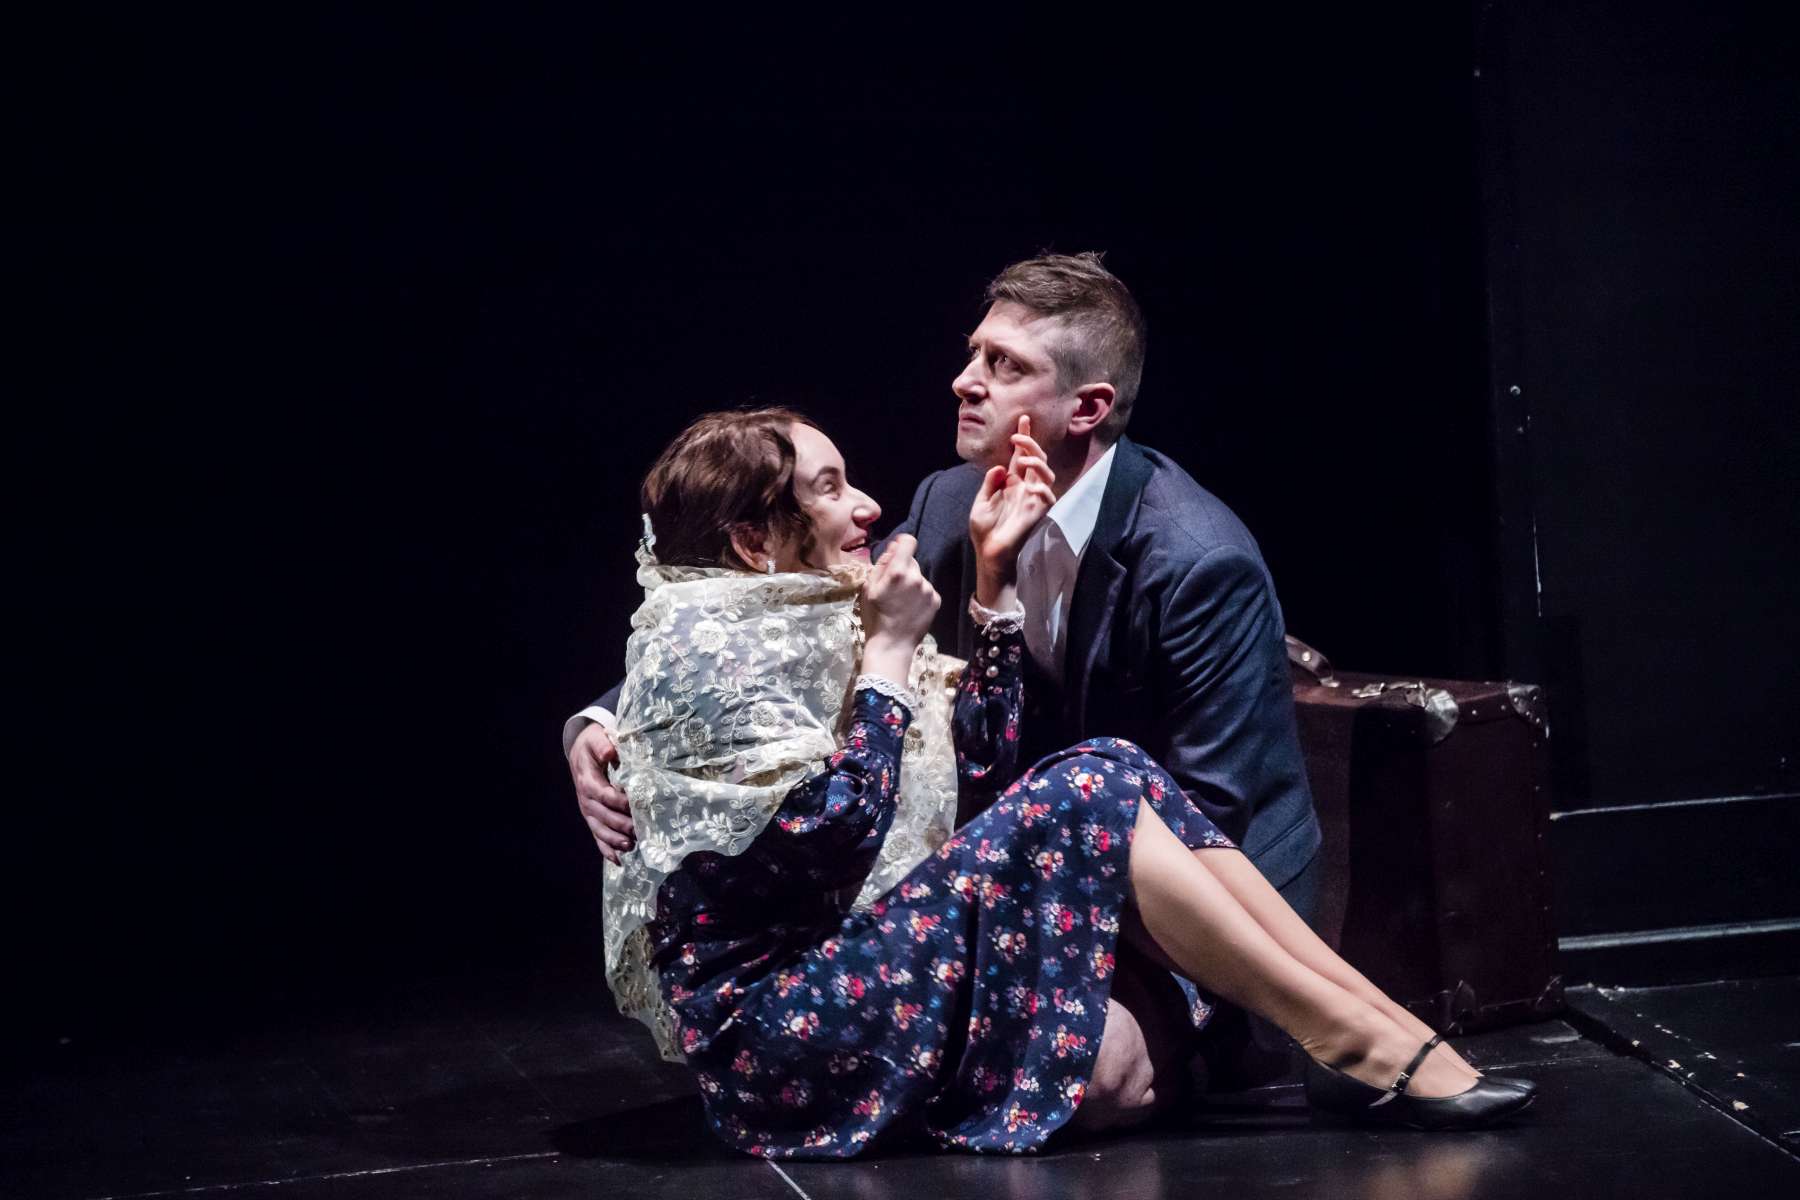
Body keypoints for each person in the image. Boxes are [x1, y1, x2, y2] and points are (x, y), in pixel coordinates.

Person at [604, 407, 1533, 1158]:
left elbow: (979, 770)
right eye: (830, 488)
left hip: (864, 963)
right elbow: (828, 838)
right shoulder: (704, 649)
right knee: (1086, 789)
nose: (869, 505)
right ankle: (1350, 1040)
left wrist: (993, 583)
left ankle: (1364, 1021)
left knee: (1112, 767)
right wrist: (887, 659)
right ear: (753, 542)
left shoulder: (822, 610)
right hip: (781, 1034)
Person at [573, 253, 1325, 1120]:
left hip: (1189, 916)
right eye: (974, 353)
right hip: (1032, 874)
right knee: (1028, 1048)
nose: (965, 381)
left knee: (1100, 1069)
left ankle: (1309, 1035)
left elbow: (1206, 811)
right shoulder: (949, 503)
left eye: (1004, 365)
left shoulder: (1195, 558)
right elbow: (783, 626)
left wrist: (1007, 913)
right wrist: (606, 721)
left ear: (1086, 408)